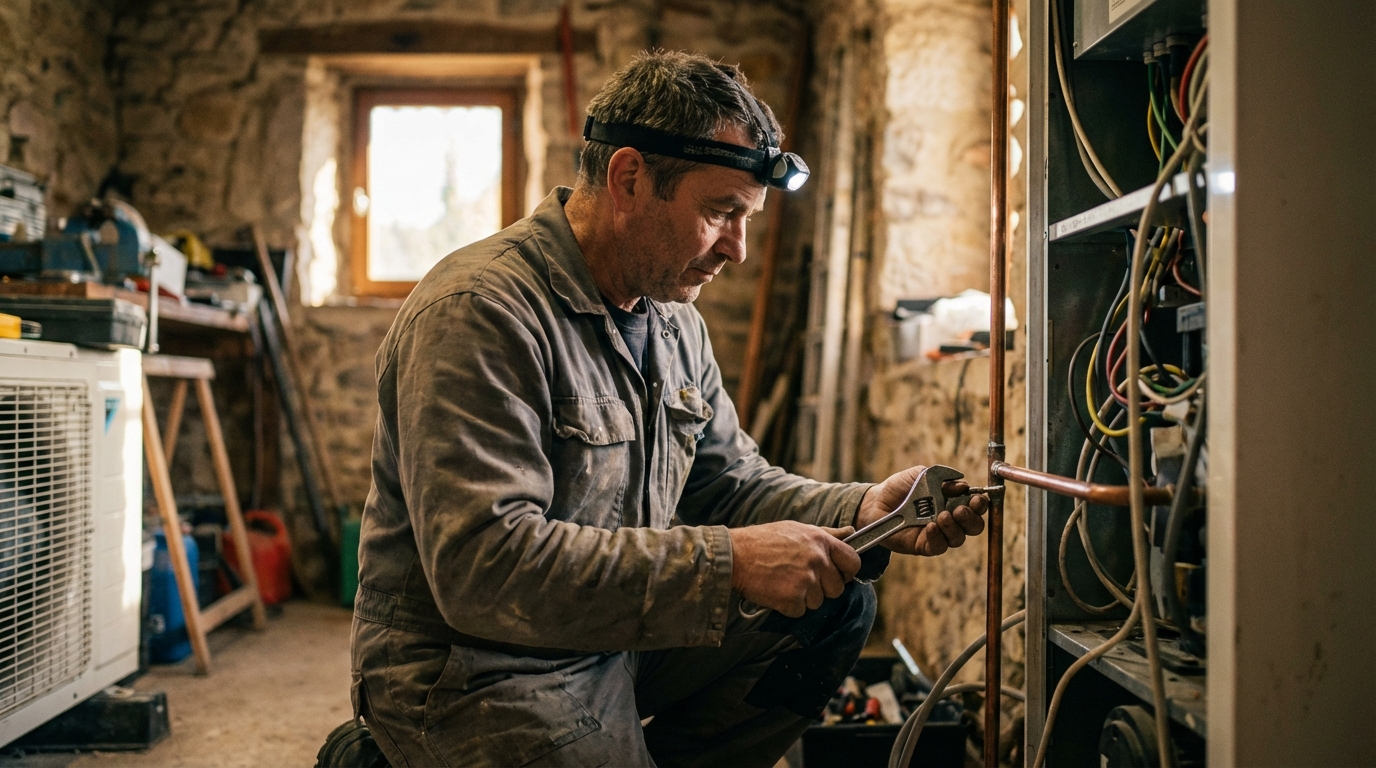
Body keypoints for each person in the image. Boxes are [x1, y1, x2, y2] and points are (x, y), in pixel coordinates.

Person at [351, 50, 988, 768]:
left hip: (608, 639)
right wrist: (726, 566)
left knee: (833, 610)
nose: (738, 250)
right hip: (478, 669)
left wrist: (864, 510)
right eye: (721, 213)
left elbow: (728, 485)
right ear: (629, 179)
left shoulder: (672, 321)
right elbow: (482, 570)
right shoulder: (479, 313)